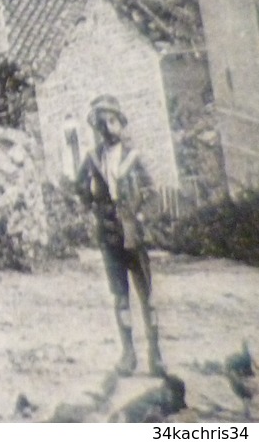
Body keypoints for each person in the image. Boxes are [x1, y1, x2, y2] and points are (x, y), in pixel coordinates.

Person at [75, 94, 164, 375]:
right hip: (109, 236)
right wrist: (93, 208)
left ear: (121, 122)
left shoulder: (133, 156)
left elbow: (151, 192)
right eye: (101, 123)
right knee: (120, 297)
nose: (107, 128)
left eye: (111, 121)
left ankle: (156, 354)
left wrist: (140, 216)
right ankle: (128, 355)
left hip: (133, 234)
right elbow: (79, 187)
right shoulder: (92, 159)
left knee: (147, 296)